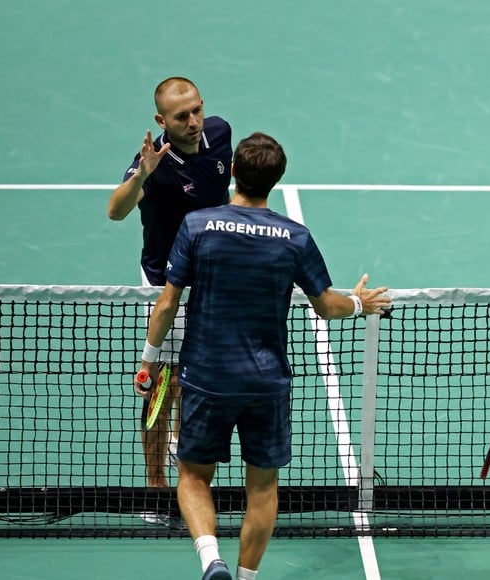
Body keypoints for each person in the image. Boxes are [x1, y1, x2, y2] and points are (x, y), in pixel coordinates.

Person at [134, 132, 392, 580]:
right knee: (263, 487)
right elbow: (326, 305)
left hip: (206, 377)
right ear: (276, 180)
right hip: (266, 383)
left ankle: (211, 559)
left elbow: (167, 303)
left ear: (232, 171)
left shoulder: (197, 226)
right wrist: (360, 303)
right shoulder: (294, 237)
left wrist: (150, 361)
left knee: (194, 478)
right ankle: (246, 576)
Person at [107, 77, 232, 511]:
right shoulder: (153, 163)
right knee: (163, 382)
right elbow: (116, 210)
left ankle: (187, 477)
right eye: (182, 116)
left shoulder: (219, 133)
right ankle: (155, 487)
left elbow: (221, 191)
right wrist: (142, 174)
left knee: (195, 382)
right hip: (167, 282)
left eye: (197, 110)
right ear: (162, 120)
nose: (194, 121)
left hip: (214, 279)